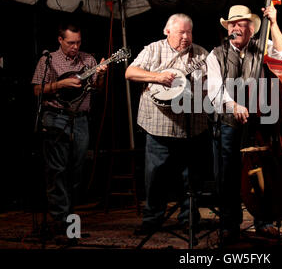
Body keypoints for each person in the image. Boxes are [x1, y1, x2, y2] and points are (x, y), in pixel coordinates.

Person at [206, 5, 282, 243]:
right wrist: (233, 105)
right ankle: (229, 225)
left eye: (241, 23)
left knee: (262, 174)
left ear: (252, 28)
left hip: (260, 122)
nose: (235, 27)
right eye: (231, 24)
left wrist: (273, 24)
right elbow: (214, 90)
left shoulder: (263, 47)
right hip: (228, 122)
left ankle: (263, 222)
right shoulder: (216, 54)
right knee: (228, 176)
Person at [125, 13, 209, 235]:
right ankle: (152, 219)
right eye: (181, 32)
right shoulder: (153, 49)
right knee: (156, 176)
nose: (185, 37)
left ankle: (189, 218)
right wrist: (157, 77)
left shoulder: (201, 54)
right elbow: (130, 72)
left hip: (190, 125)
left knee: (189, 176)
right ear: (167, 31)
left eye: (189, 32)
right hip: (159, 124)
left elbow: (213, 84)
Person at [31, 22, 107, 235]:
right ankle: (61, 223)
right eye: (71, 43)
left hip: (80, 119)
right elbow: (37, 90)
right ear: (60, 40)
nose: (75, 47)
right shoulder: (49, 60)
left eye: (79, 42)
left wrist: (100, 74)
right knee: (57, 171)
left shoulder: (88, 60)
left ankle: (69, 222)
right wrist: (60, 85)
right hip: (55, 118)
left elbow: (97, 88)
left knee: (76, 170)